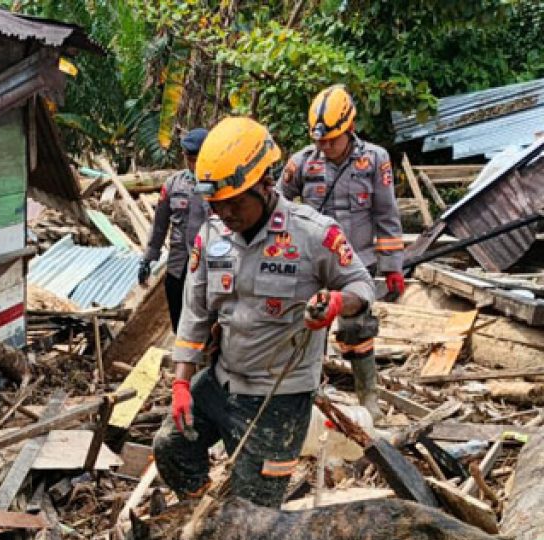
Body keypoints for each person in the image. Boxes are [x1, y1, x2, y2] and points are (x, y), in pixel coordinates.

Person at [152, 116, 376, 508]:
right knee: (169, 447)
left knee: (253, 508)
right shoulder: (212, 236)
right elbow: (195, 313)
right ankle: (207, 515)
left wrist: (339, 303)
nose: (225, 214)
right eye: (217, 205)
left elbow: (361, 285)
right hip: (221, 383)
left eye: (236, 202)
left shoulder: (313, 234)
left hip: (279, 398)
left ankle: (233, 531)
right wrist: (182, 384)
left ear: (266, 183)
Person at [280, 85, 405, 418]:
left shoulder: (375, 161)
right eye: (319, 140)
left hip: (356, 263)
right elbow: (276, 206)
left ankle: (368, 396)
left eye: (331, 140)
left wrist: (393, 266)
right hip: (311, 264)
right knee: (308, 327)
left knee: (357, 330)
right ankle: (308, 397)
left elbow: (386, 214)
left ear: (349, 128)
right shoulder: (301, 164)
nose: (324, 146)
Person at [138, 127, 210, 331]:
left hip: (208, 264)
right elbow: (160, 225)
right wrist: (148, 258)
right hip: (179, 263)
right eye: (190, 158)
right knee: (178, 316)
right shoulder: (173, 185)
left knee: (206, 317)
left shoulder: (219, 185)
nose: (193, 164)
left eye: (197, 158)